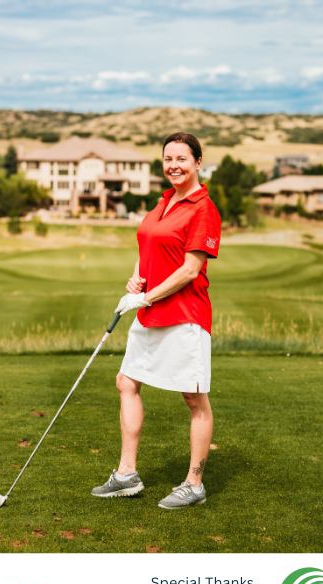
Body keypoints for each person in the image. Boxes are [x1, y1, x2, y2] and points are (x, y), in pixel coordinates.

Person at [92, 132, 221, 509]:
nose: (174, 166)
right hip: (150, 312)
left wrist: (144, 296)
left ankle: (194, 484)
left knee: (194, 399)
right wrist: (137, 279)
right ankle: (127, 474)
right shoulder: (164, 201)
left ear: (198, 162)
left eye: (182, 158)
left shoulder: (203, 208)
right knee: (126, 381)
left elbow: (190, 270)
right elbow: (147, 246)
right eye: (168, 159)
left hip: (185, 316)